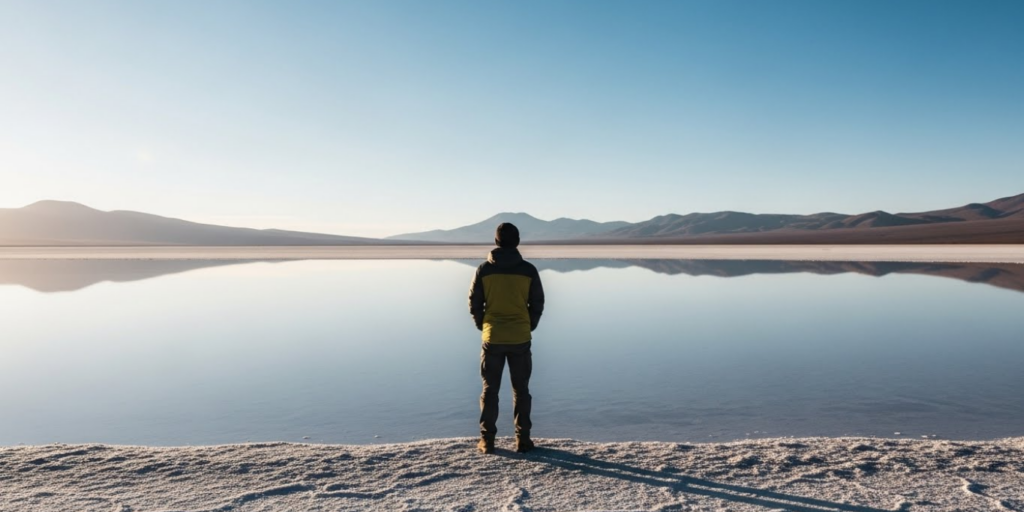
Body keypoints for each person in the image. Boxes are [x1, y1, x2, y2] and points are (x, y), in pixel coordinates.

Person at [468, 222, 545, 454]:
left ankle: (487, 441)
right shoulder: (528, 270)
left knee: (490, 390)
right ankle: (523, 440)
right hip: (520, 338)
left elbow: (474, 303)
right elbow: (538, 304)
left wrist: (485, 326)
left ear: (496, 242)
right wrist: (528, 326)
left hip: (493, 338)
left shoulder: (484, 270)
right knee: (521, 390)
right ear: (517, 242)